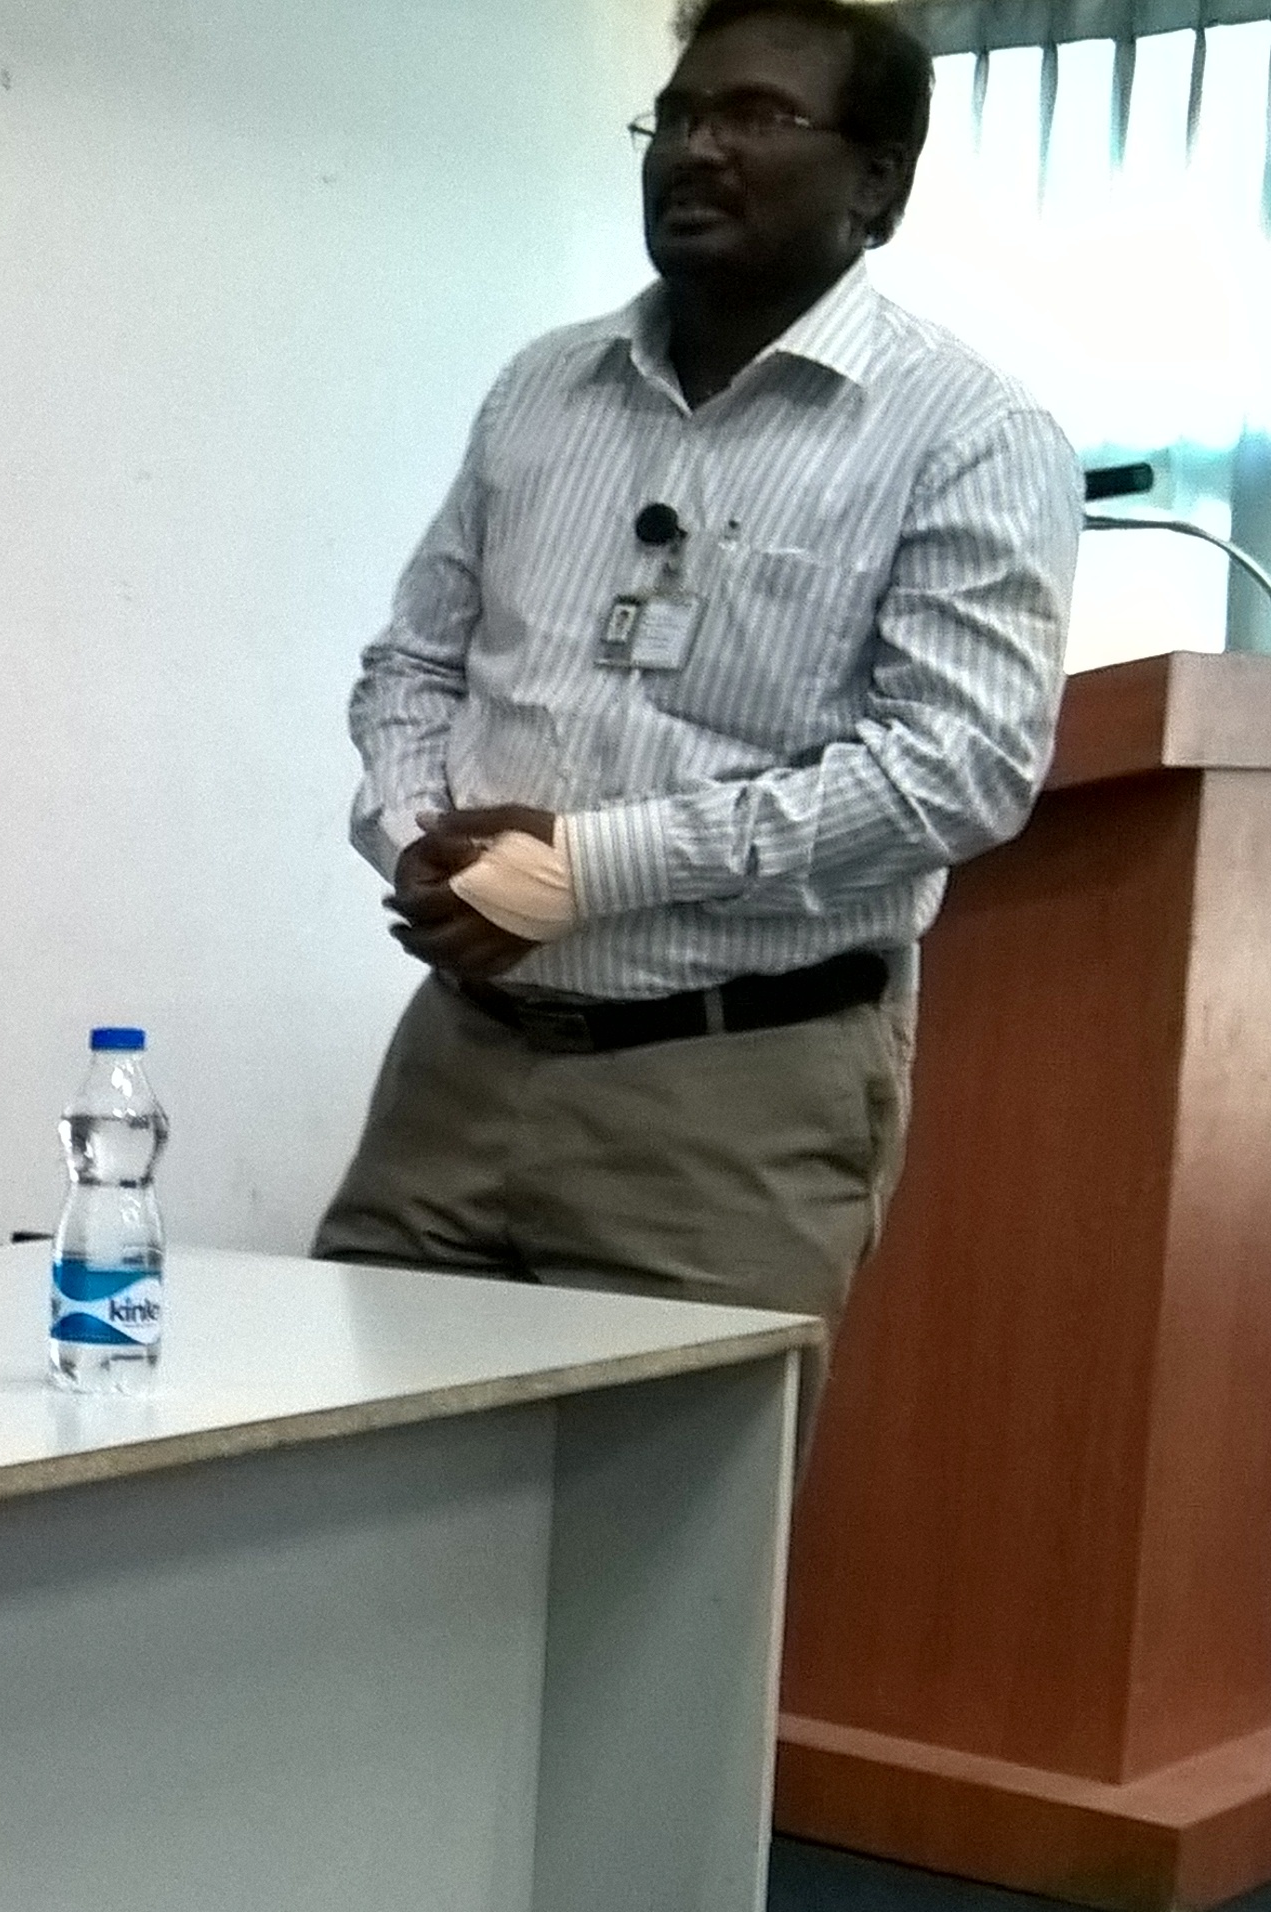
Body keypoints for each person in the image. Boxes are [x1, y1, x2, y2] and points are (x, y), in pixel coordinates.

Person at [315, 0, 1074, 1384]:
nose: (696, 149)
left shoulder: (969, 433)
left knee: (668, 1518)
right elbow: (413, 660)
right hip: (459, 1060)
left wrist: (590, 869)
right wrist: (419, 832)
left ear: (878, 183)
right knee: (349, 1490)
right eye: (675, 115)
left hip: (727, 1094)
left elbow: (957, 769)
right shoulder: (544, 389)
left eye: (755, 117)